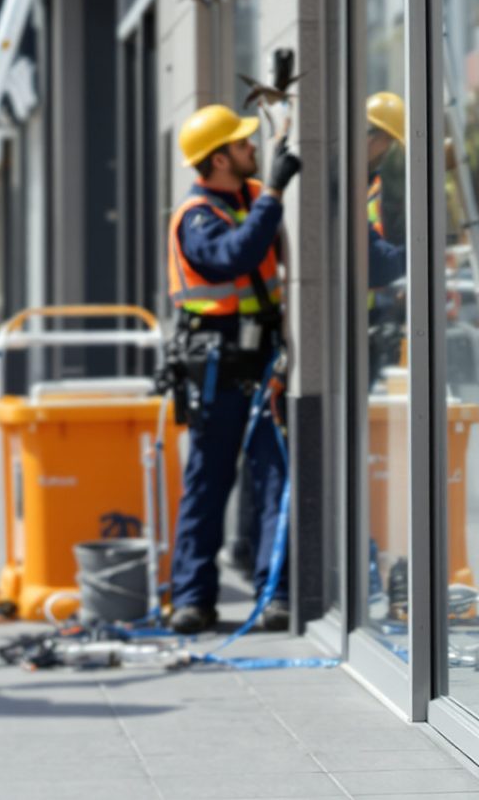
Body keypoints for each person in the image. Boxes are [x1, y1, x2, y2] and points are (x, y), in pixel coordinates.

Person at [163, 103, 301, 636]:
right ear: (218, 159)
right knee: (209, 481)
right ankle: (193, 599)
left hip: (261, 358)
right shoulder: (197, 216)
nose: (251, 151)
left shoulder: (244, 198)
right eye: (243, 146)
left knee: (273, 478)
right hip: (217, 363)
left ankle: (276, 595)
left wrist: (280, 136)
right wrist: (274, 193)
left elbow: (260, 224)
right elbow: (233, 257)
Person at [362, 92, 409, 388]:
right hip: (352, 314)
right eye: (388, 142)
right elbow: (374, 260)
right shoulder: (351, 182)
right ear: (374, 139)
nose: (388, 151)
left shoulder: (367, 180)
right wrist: (421, 252)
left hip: (367, 308)